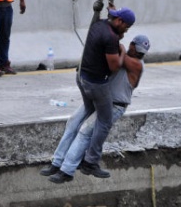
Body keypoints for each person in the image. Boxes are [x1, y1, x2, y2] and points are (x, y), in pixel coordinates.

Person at [43, 35, 150, 183]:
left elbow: (120, 57)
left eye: (141, 53)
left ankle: (67, 170)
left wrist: (118, 45)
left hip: (115, 105)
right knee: (72, 123)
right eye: (137, 50)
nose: (139, 54)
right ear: (132, 44)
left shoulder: (137, 64)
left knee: (85, 131)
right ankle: (57, 162)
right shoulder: (119, 56)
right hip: (100, 99)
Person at [68, 7, 134, 178]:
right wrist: (123, 52)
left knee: (79, 119)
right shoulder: (111, 38)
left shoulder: (98, 25)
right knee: (103, 122)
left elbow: (112, 14)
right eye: (126, 28)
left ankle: (64, 162)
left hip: (83, 76)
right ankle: (90, 162)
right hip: (97, 83)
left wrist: (112, 9)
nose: (125, 32)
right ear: (119, 22)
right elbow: (114, 67)